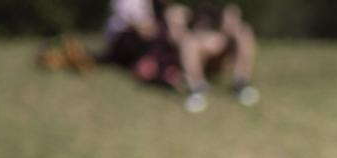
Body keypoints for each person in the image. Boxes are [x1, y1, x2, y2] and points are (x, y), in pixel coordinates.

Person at [101, 0, 259, 112]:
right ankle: (196, 89)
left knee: (243, 31)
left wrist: (228, 26)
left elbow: (232, 16)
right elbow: (176, 34)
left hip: (219, 45)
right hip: (197, 48)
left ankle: (241, 83)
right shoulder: (180, 8)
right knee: (190, 43)